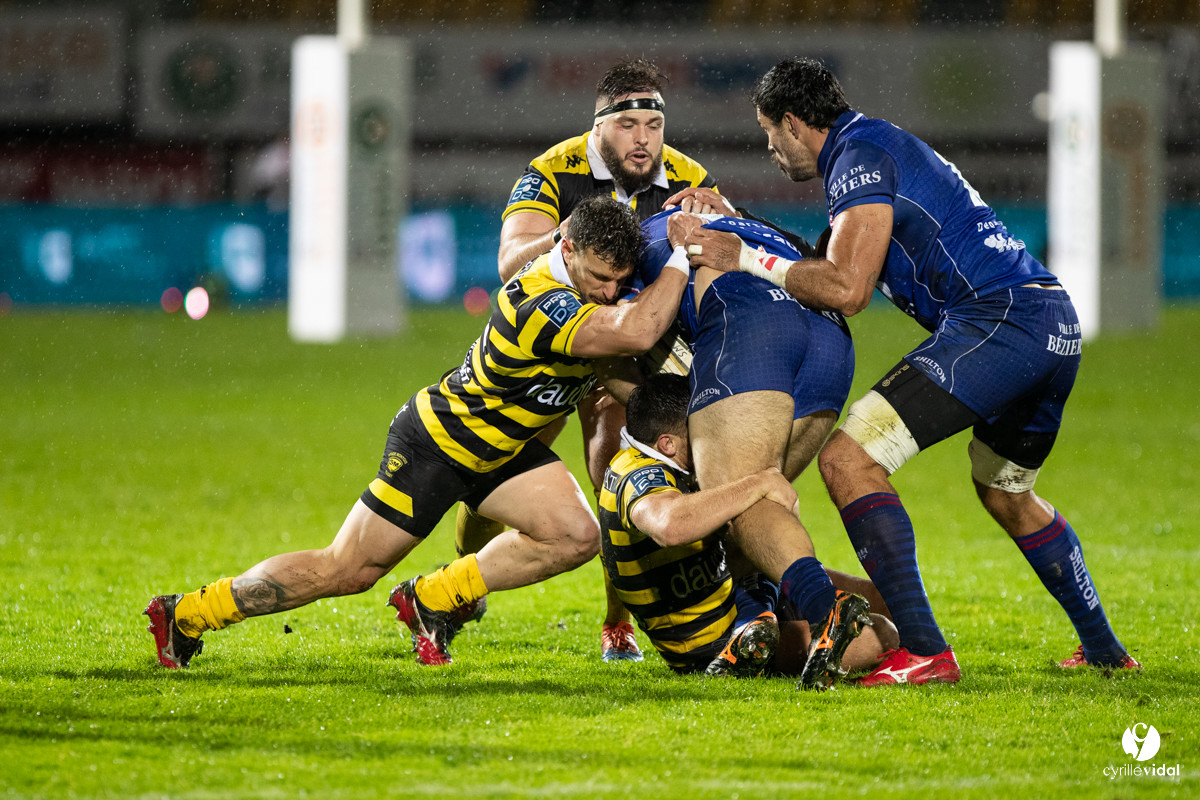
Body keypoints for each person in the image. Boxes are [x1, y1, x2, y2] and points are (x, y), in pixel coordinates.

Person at [678, 57, 1139, 686]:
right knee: (1007, 493)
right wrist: (734, 219)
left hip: (999, 322)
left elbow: (844, 287)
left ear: (792, 122)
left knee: (848, 461)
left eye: (768, 134)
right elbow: (816, 259)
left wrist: (743, 254)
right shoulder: (873, 146)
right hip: (1048, 323)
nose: (771, 150)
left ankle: (924, 651)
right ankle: (1107, 651)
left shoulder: (858, 158)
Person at [144, 197, 691, 670]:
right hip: (438, 444)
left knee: (575, 535)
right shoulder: (538, 302)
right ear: (567, 249)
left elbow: (623, 363)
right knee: (347, 570)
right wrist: (685, 258)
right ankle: (188, 614)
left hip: (501, 451)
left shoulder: (585, 290)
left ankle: (434, 597)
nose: (610, 290)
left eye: (620, 280)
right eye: (600, 277)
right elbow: (637, 329)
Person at [456, 58, 728, 663]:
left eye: (653, 124)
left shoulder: (687, 175)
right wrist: (576, 235)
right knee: (490, 473)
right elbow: (509, 264)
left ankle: (616, 624)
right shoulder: (555, 170)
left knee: (618, 471)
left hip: (628, 350)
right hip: (554, 347)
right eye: (628, 124)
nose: (643, 139)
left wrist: (721, 217)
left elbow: (725, 248)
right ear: (598, 126)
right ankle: (464, 567)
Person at [627, 207, 879, 689]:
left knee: (737, 499)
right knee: (756, 500)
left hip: (752, 321)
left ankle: (829, 610)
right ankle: (758, 619)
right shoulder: (742, 220)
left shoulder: (632, 249)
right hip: (829, 339)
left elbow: (634, 333)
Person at [598, 374, 898, 678]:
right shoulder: (637, 476)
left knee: (888, 600)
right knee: (883, 636)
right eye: (699, 431)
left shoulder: (665, 463)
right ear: (667, 444)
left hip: (739, 591)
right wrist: (758, 483)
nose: (710, 438)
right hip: (712, 643)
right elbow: (670, 525)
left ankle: (758, 618)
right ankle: (751, 635)